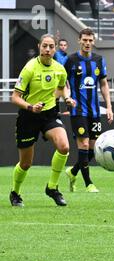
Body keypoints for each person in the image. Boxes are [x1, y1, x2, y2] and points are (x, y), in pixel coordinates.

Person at [10, 34, 76, 207]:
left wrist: (67, 98)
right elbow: (15, 97)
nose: (47, 50)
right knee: (26, 163)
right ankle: (15, 193)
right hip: (28, 116)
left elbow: (62, 88)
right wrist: (31, 107)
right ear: (39, 47)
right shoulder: (30, 68)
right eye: (44, 46)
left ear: (55, 48)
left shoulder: (59, 69)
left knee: (64, 147)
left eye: (51, 46)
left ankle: (52, 187)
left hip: (49, 114)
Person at [64, 28, 113, 193]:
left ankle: (72, 172)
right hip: (77, 111)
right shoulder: (70, 60)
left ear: (94, 42)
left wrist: (109, 107)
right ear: (79, 40)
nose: (87, 43)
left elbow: (104, 84)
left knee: (92, 150)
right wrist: (67, 97)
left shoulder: (99, 60)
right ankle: (88, 183)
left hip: (94, 111)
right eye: (84, 40)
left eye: (90, 40)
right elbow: (62, 82)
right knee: (84, 144)